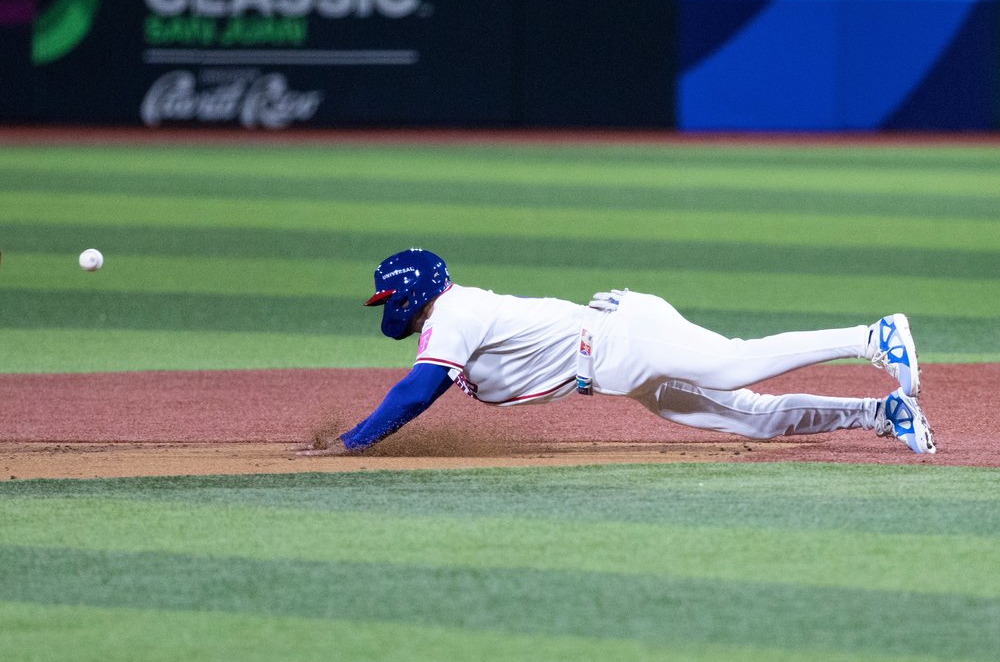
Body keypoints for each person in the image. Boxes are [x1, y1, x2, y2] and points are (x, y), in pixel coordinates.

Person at [299, 248, 936, 458]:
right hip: (614, 366)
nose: (388, 311)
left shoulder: (453, 313)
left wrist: (354, 442)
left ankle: (872, 336)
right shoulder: (454, 315)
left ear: (412, 295)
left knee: (735, 363)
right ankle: (880, 415)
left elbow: (417, 392)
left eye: (389, 299)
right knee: (748, 416)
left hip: (618, 342)